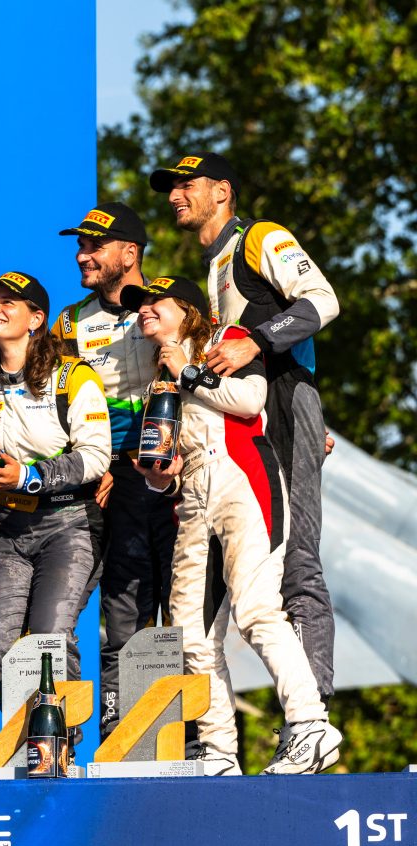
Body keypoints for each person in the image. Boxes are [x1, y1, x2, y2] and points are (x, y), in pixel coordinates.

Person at [149, 152, 340, 748]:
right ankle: (230, 741)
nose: (175, 195)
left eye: (187, 184)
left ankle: (309, 722)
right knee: (230, 594)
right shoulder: (212, 266)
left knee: (298, 563)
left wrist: (254, 342)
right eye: (171, 187)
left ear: (222, 191)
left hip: (283, 402)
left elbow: (322, 301)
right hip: (249, 421)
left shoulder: (259, 237)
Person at [124, 276, 342, 774]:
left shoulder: (228, 339)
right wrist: (160, 478)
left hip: (245, 479)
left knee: (257, 609)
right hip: (193, 497)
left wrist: (188, 373)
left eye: (156, 302)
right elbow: (172, 465)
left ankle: (310, 725)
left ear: (188, 310)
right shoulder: (157, 380)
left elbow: (249, 401)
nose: (145, 310)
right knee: (190, 634)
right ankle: (218, 750)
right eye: (141, 305)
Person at [0, 271, 111, 709]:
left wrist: (27, 476)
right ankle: (33, 733)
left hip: (69, 523)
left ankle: (57, 742)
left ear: (36, 319)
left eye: (7, 302)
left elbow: (95, 458)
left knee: (49, 640)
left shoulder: (72, 375)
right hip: (7, 527)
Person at [54, 203, 178, 739]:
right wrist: (95, 462)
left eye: (94, 246)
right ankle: (118, 729)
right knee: (121, 608)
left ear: (130, 253)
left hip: (173, 475)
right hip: (110, 478)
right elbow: (57, 406)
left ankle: (190, 733)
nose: (83, 255)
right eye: (80, 246)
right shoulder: (69, 322)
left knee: (183, 605)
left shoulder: (171, 305)